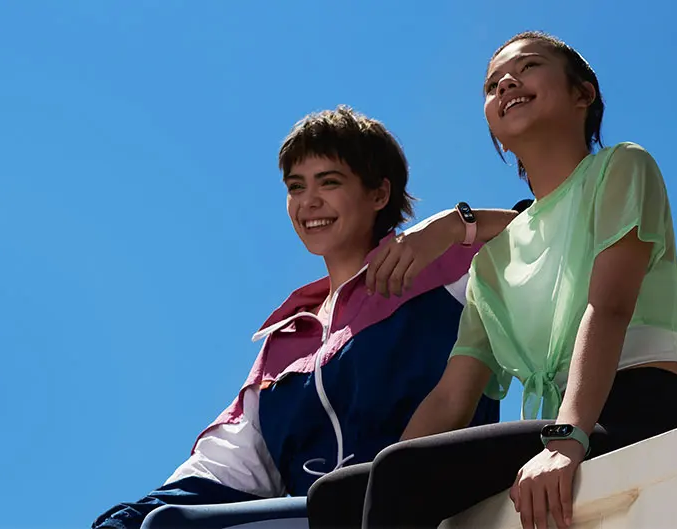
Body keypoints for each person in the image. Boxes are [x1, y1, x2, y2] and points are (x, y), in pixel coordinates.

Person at [306, 32, 677, 529]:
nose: (506, 84)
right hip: (564, 419)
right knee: (336, 497)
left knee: (397, 475)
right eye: (492, 83)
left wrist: (565, 439)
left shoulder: (623, 167)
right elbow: (451, 398)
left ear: (583, 94)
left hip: (644, 405)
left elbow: (608, 307)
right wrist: (376, 483)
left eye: (528, 67)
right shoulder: (492, 262)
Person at [91, 106, 520, 529]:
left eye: (329, 182)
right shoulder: (285, 341)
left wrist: (455, 226)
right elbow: (222, 470)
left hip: (432, 510)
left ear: (379, 194)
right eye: (296, 187)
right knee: (161, 523)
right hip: (319, 517)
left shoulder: (448, 271)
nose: (308, 202)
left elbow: (546, 233)